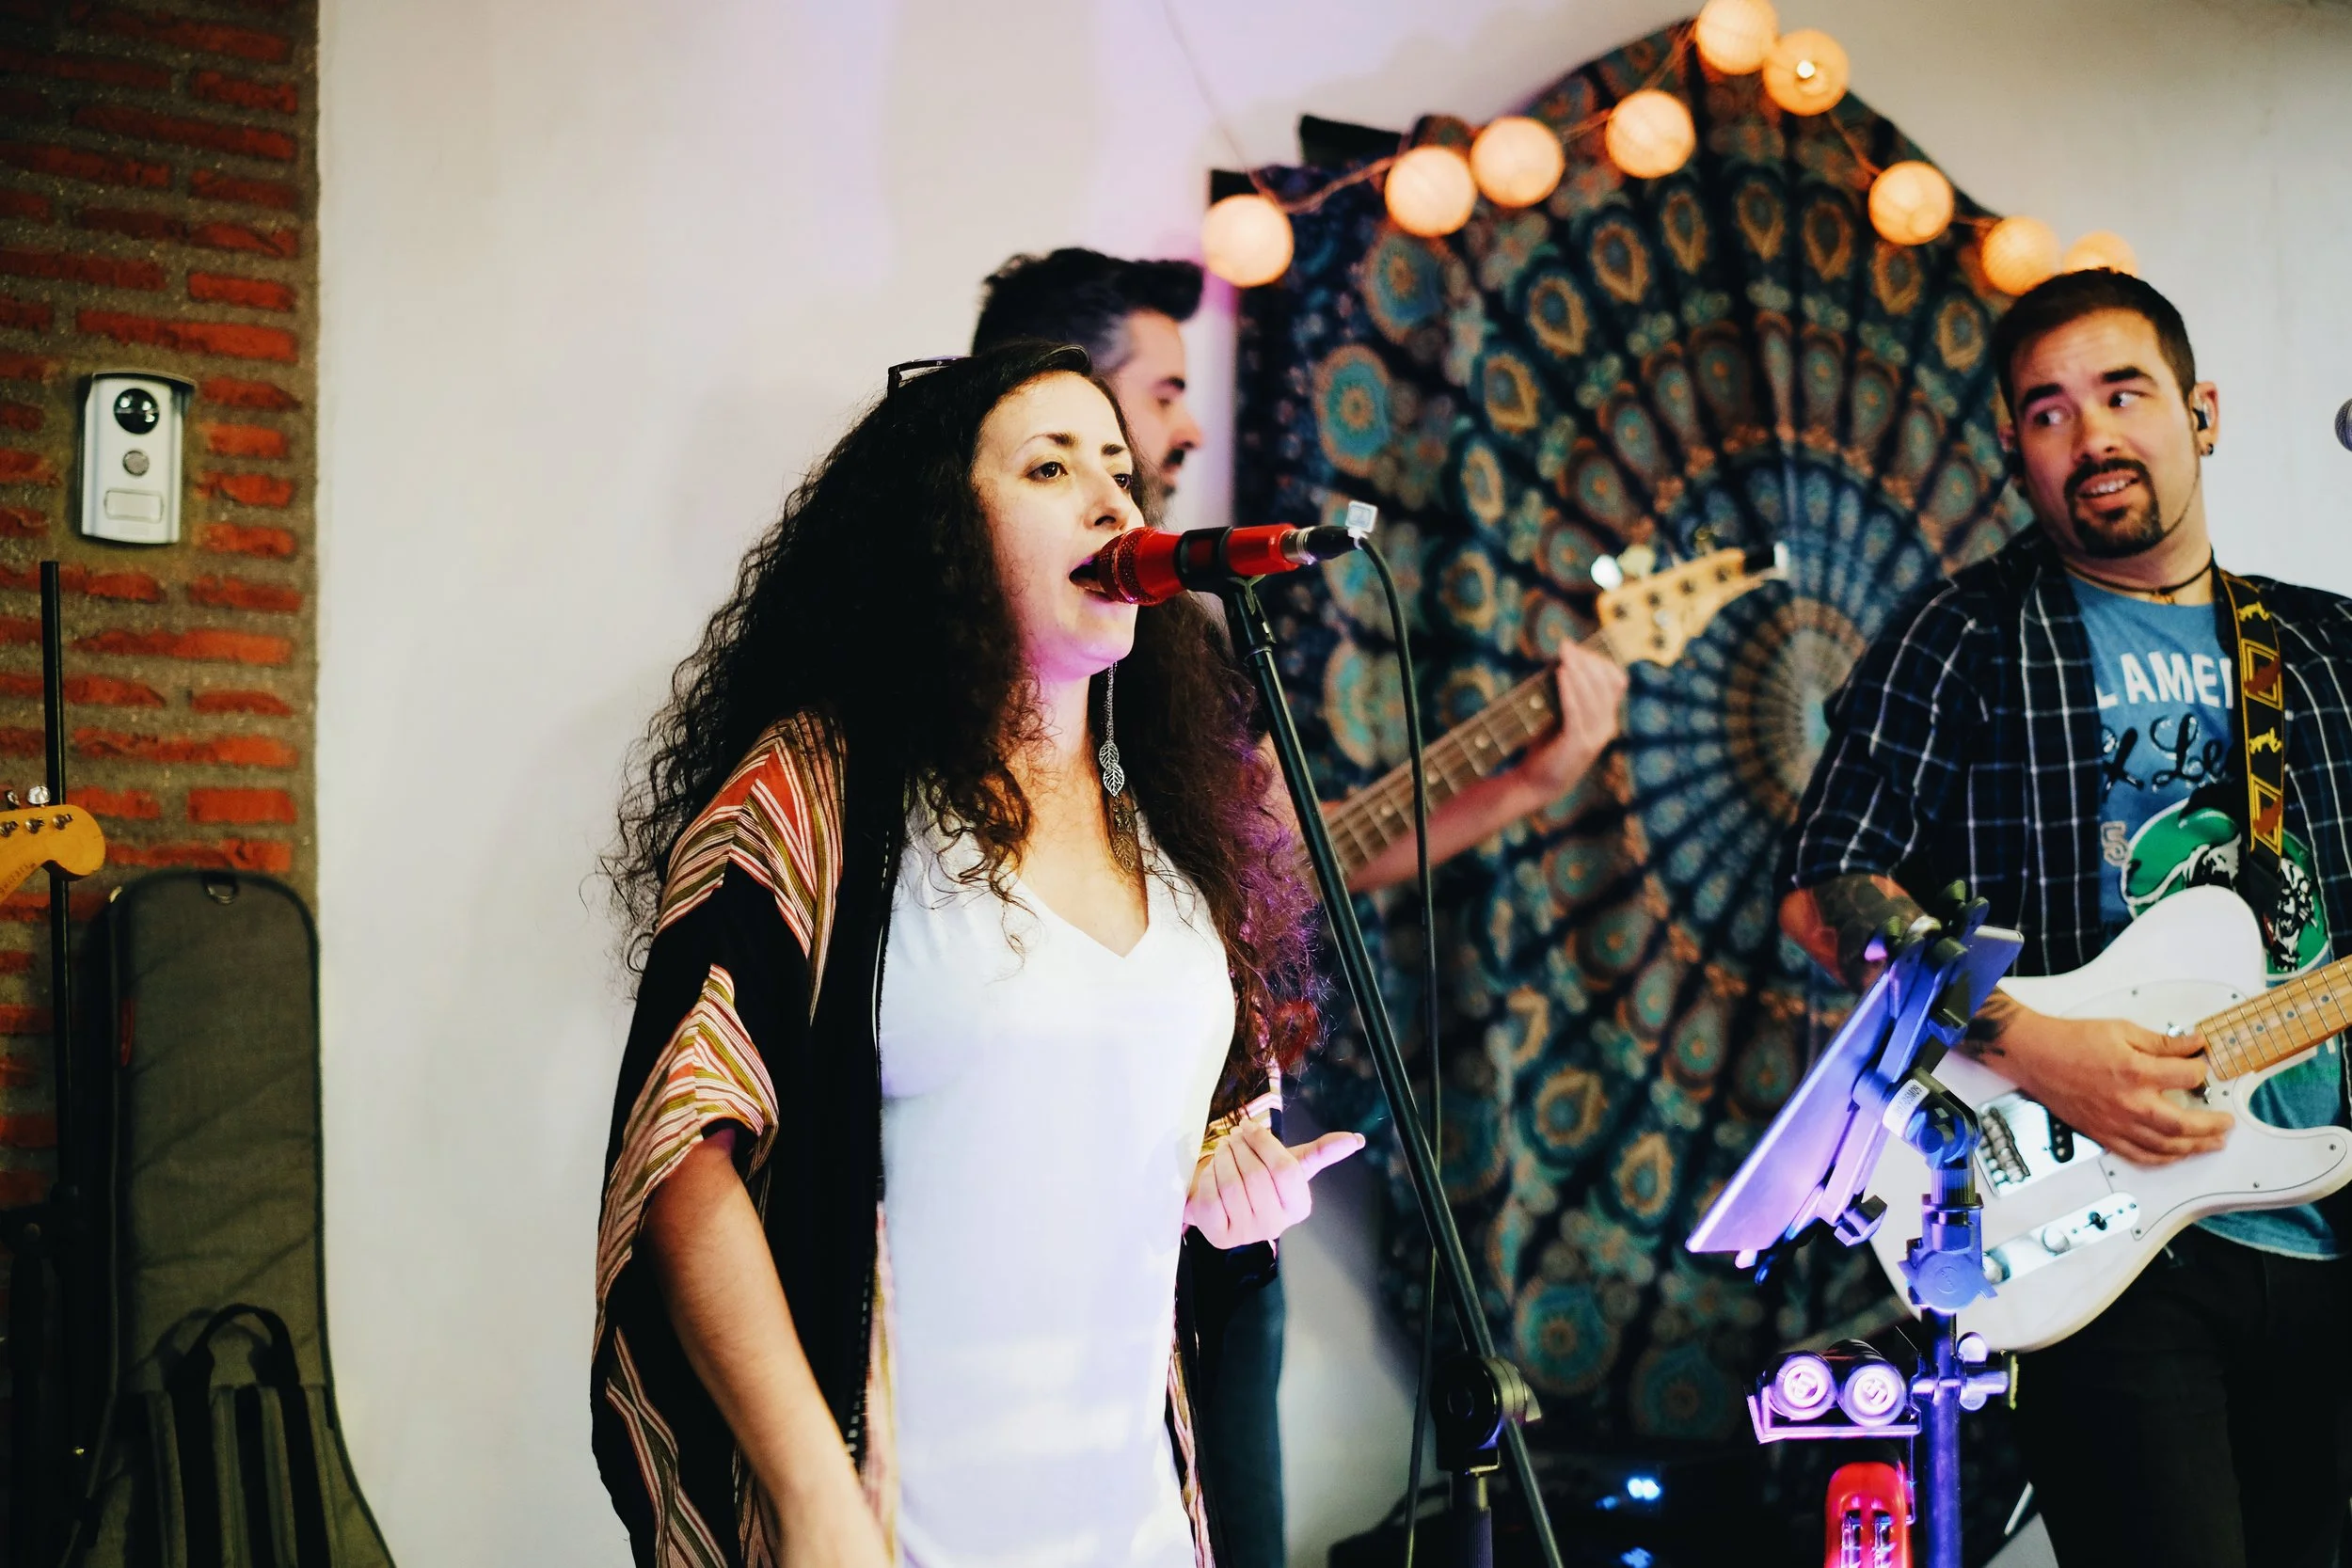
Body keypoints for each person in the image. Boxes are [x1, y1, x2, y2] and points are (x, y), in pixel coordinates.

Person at [592, 341, 1369, 1566]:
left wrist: (1232, 1176)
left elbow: (1139, 1135)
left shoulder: (1167, 828)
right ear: (938, 536)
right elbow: (684, 1154)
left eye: (1120, 467)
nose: (1116, 503)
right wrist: (811, 1495)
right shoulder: (815, 795)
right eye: (1050, 466)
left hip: (1137, 1521)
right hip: (898, 1524)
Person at [974, 248, 1630, 1563]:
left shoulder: (1191, 640)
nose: (1184, 426)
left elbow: (1297, 866)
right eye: (1160, 389)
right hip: (1048, 1215)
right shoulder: (955, 655)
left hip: (1229, 1190)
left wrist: (1536, 775)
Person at [1780, 269, 2352, 1568]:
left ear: (2200, 412)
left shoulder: (2321, 649)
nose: (2090, 434)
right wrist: (2033, 1044)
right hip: (2102, 1234)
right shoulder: (1967, 633)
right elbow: (1830, 886)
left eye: (2122, 392)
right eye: (2047, 411)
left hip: (2315, 1210)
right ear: (2014, 451)